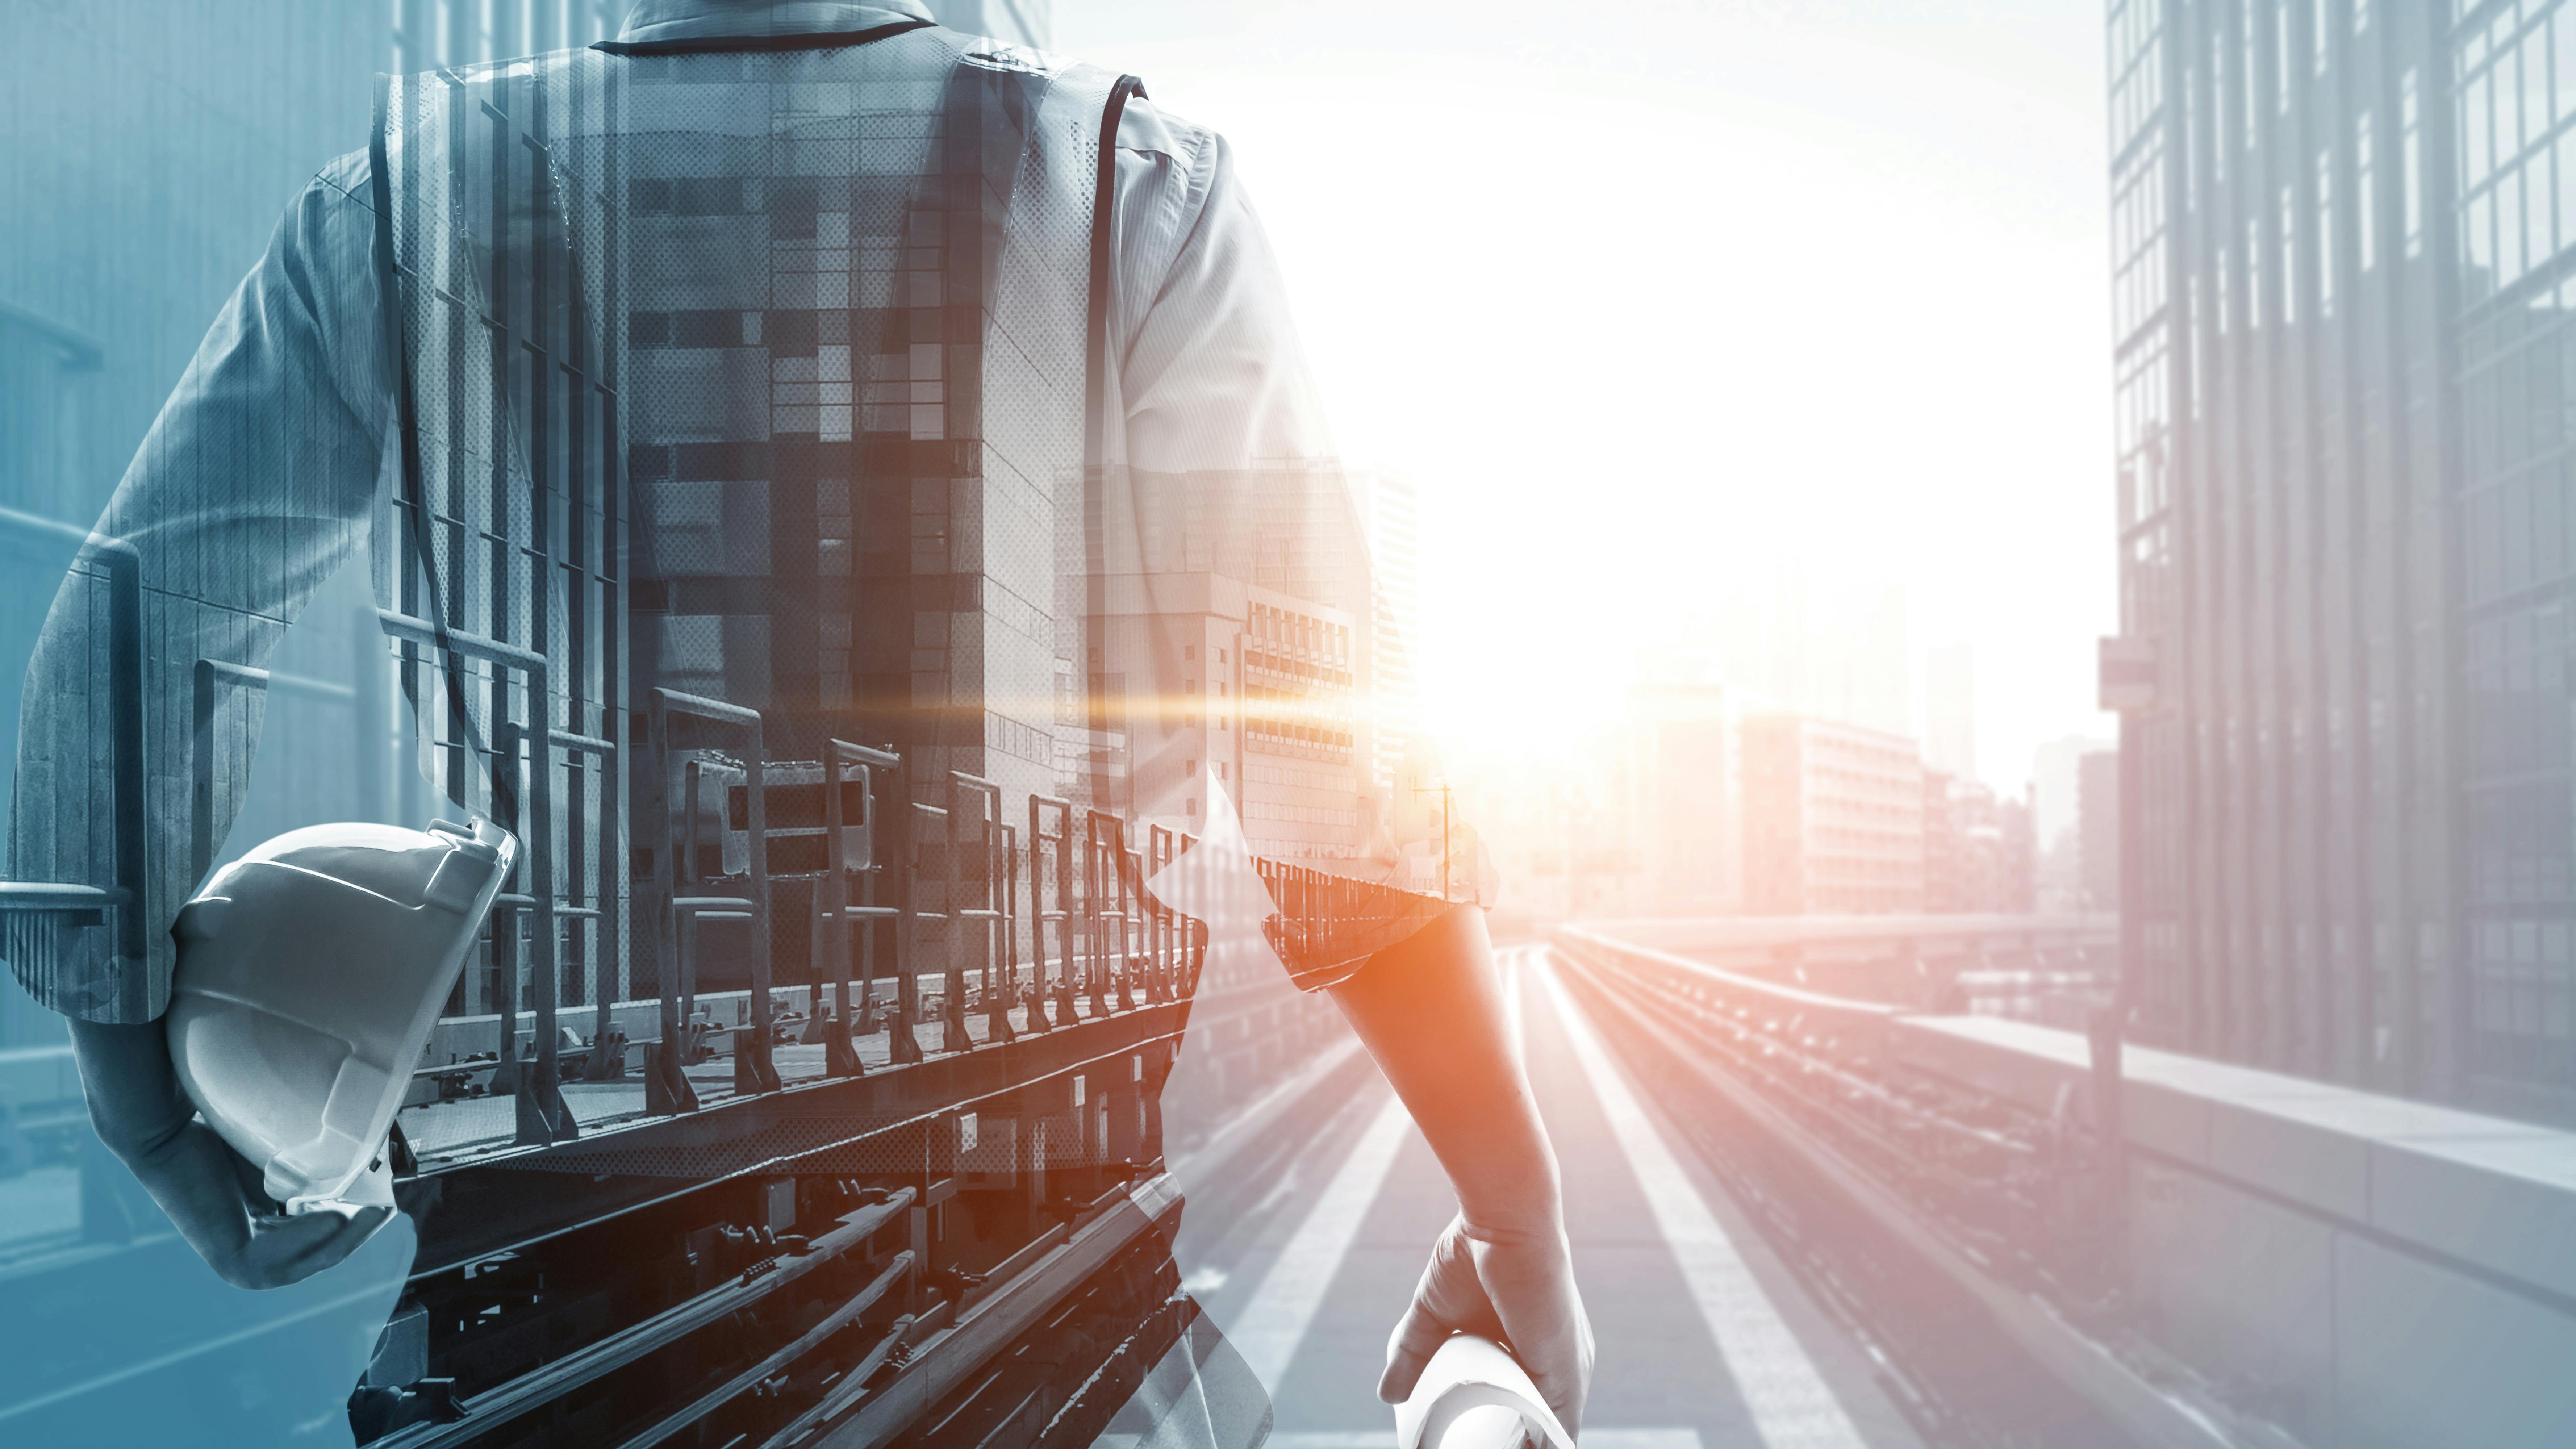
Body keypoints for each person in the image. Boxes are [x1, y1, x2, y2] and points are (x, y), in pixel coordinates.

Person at [7, 0, 1592, 1434]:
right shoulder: (1124, 189)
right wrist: (1512, 1214)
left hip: (536, 1299)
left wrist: (150, 1112)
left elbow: (131, 629)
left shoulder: (411, 192)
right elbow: (1331, 774)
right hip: (1033, 1285)